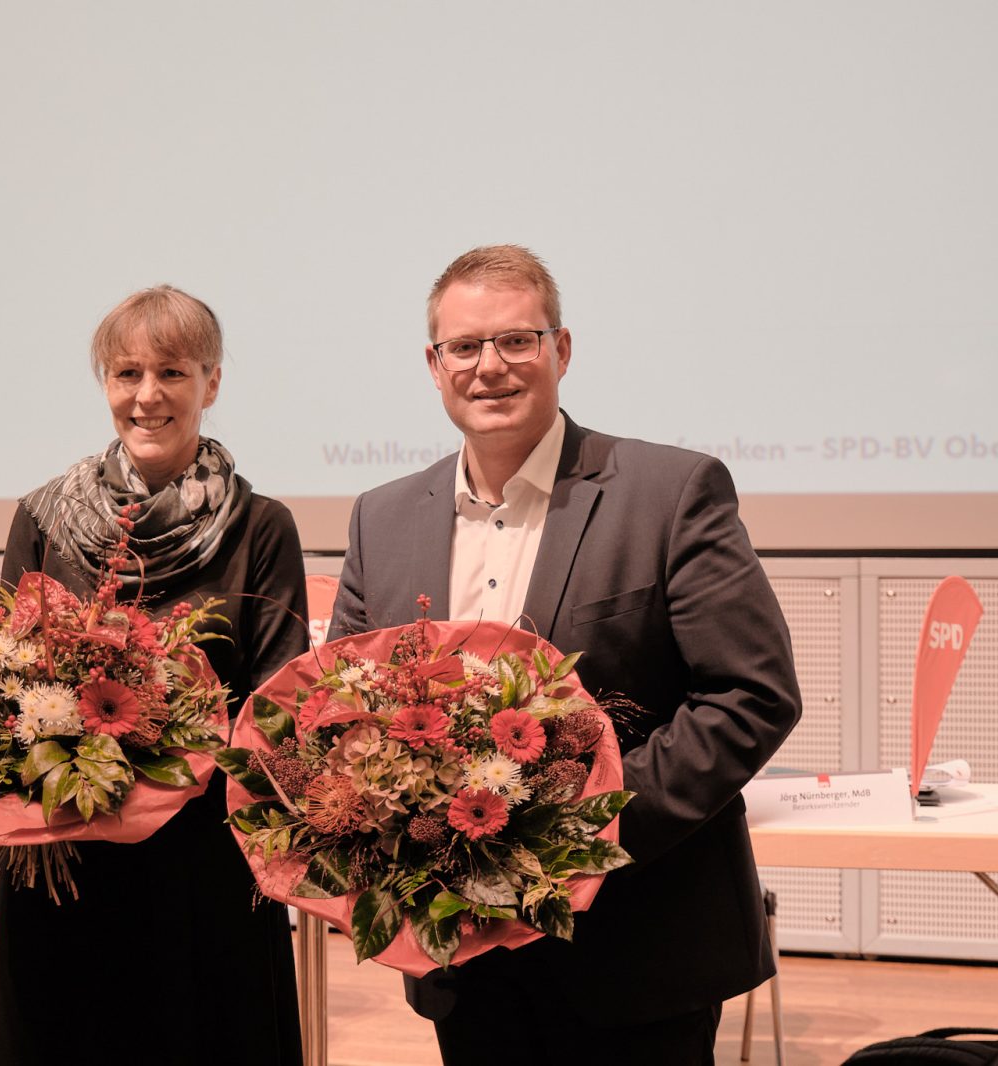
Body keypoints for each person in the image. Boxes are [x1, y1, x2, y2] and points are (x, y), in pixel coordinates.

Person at [329, 245, 802, 1065]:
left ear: (562, 350)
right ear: (434, 366)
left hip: (638, 945)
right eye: (465, 347)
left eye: (518, 340)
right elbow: (341, 711)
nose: (491, 367)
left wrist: (577, 835)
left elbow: (751, 693)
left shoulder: (669, 492)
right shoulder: (383, 518)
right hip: (462, 954)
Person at [0, 285, 305, 1065]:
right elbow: (3, 676)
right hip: (61, 855)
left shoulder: (263, 527)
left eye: (172, 372)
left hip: (202, 871)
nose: (147, 395)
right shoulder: (44, 517)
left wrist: (170, 756)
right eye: (127, 373)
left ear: (212, 383)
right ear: (105, 384)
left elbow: (280, 704)